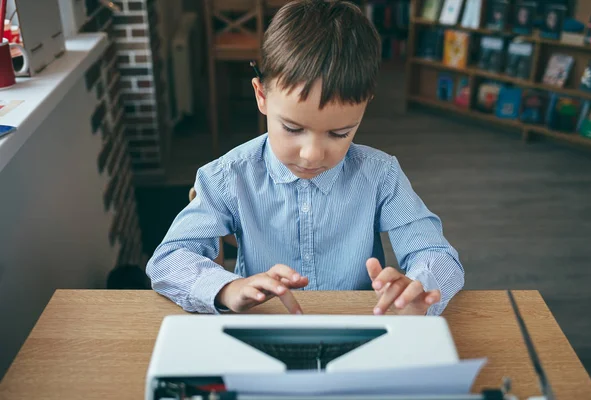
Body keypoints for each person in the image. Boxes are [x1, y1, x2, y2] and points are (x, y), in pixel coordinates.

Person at [146, 0, 465, 317]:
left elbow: (438, 255)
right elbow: (169, 259)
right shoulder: (228, 176)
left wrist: (418, 290)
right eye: (292, 128)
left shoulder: (380, 175)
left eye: (339, 133)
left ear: (364, 107)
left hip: (356, 326)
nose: (312, 154)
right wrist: (228, 289)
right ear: (262, 96)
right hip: (263, 325)